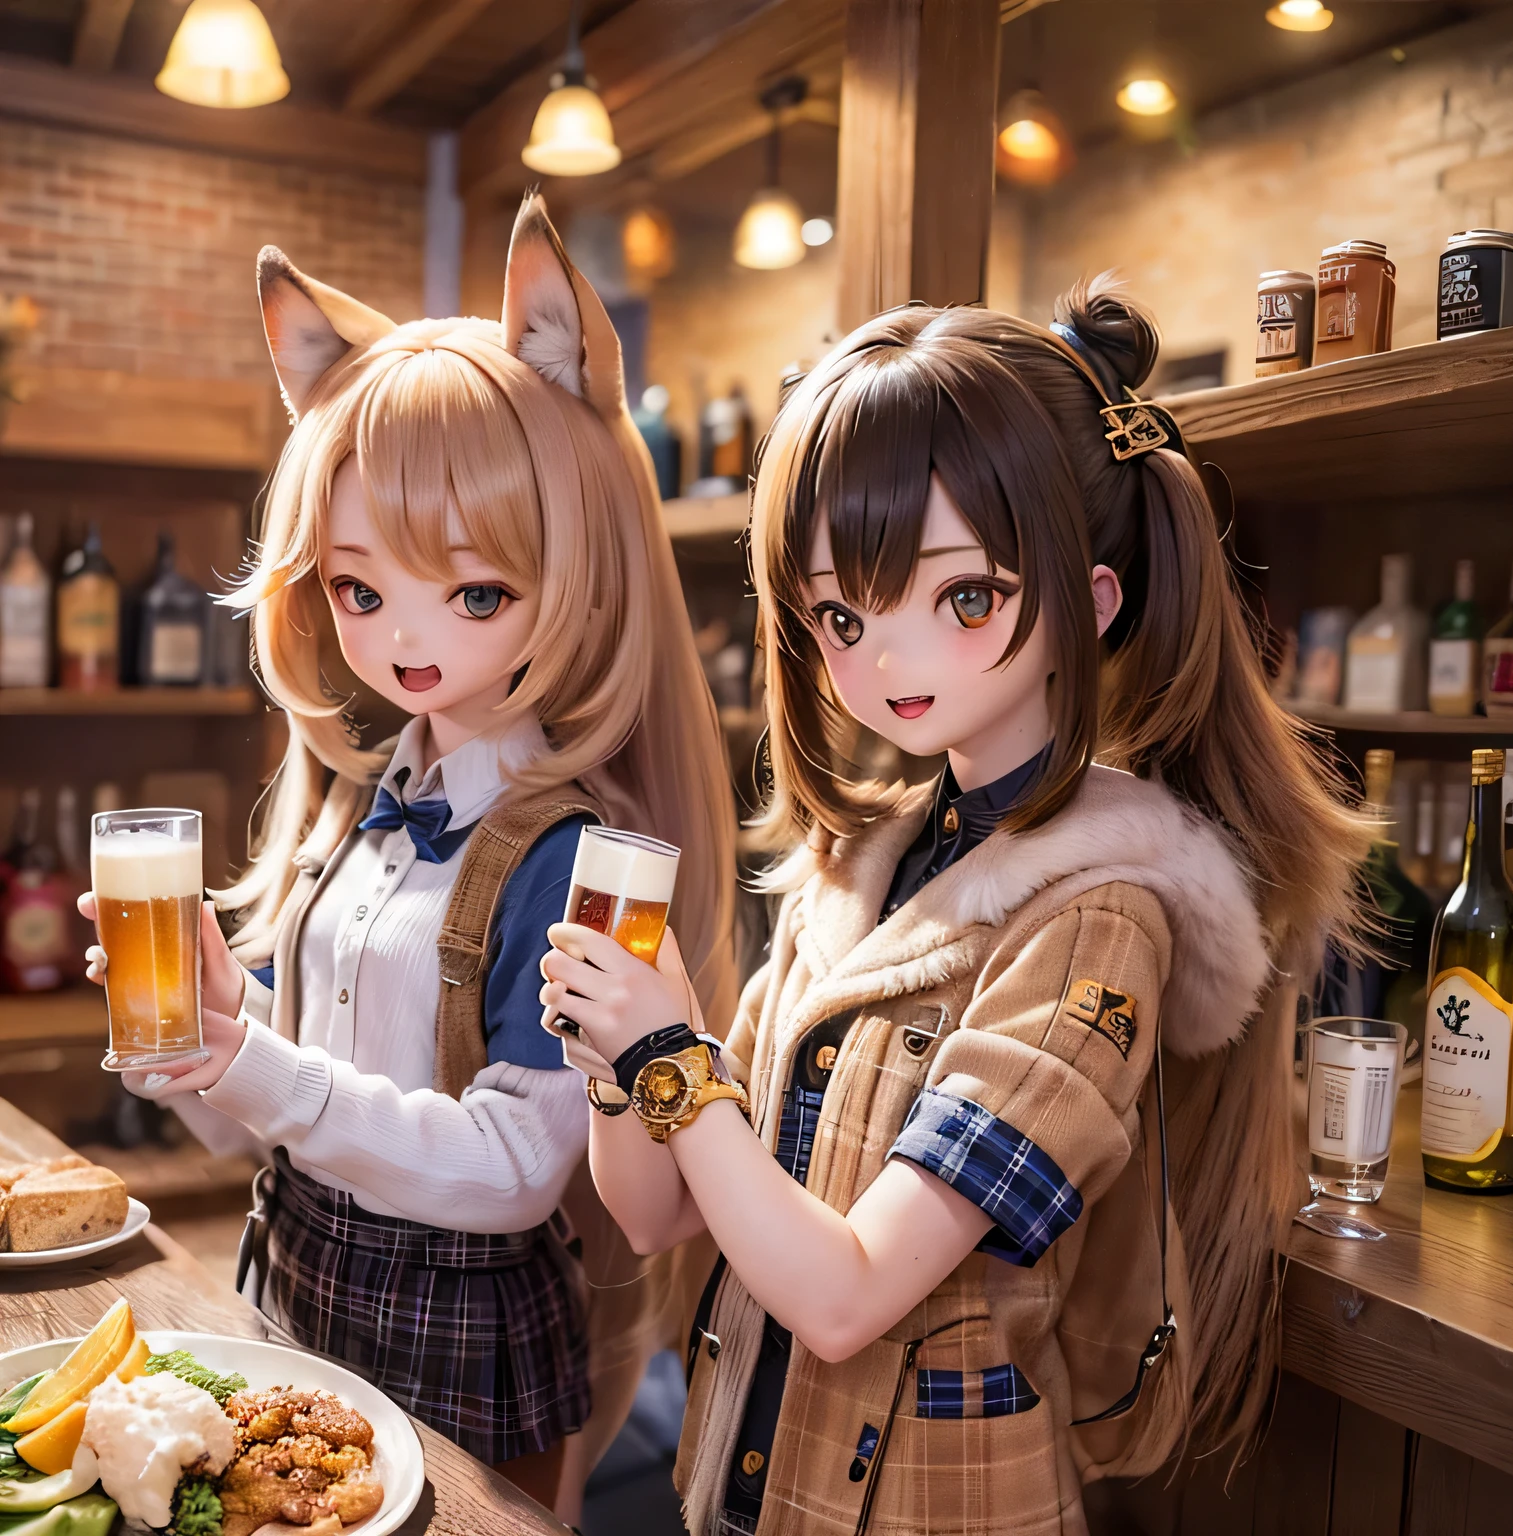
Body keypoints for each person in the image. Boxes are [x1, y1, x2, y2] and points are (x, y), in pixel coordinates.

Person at [539, 282, 1369, 1535]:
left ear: (1086, 609)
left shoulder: (1099, 921)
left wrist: (670, 1054)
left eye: (964, 598)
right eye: (840, 614)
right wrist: (616, 1056)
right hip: (749, 1487)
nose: (887, 659)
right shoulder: (859, 866)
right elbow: (656, 1212)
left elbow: (844, 1294)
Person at [81, 195, 736, 1520]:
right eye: (359, 588)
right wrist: (209, 1040)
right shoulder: (369, 800)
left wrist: (252, 1062)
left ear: (572, 571)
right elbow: (309, 1077)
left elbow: (511, 1170)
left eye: (477, 592)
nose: (405, 638)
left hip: (458, 1331)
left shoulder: (582, 860)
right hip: (293, 1276)